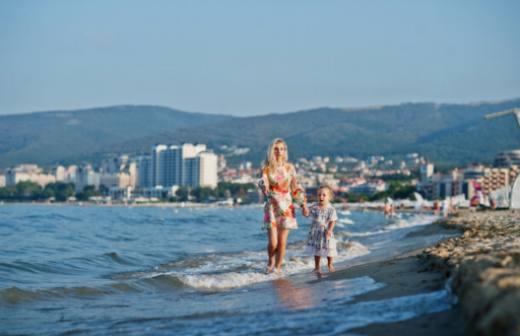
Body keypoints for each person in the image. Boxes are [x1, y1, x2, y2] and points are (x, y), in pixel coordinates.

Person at [258, 138, 308, 274]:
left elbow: (295, 187)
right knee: (273, 242)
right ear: (271, 150)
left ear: (285, 151)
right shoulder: (266, 169)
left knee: (282, 242)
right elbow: (262, 182)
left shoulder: (290, 168)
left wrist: (303, 205)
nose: (279, 151)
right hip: (271, 207)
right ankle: (270, 260)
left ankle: (277, 269)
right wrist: (264, 187)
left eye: (282, 149)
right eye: (276, 148)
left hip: (286, 207)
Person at [304, 185, 338, 274]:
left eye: (324, 195)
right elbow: (306, 214)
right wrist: (304, 206)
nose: (321, 197)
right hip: (316, 232)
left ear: (329, 197)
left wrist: (330, 230)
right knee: (317, 250)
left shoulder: (331, 208)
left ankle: (330, 264)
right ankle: (317, 267)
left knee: (329, 249)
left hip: (326, 231)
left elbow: (333, 220)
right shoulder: (314, 206)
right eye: (319, 195)